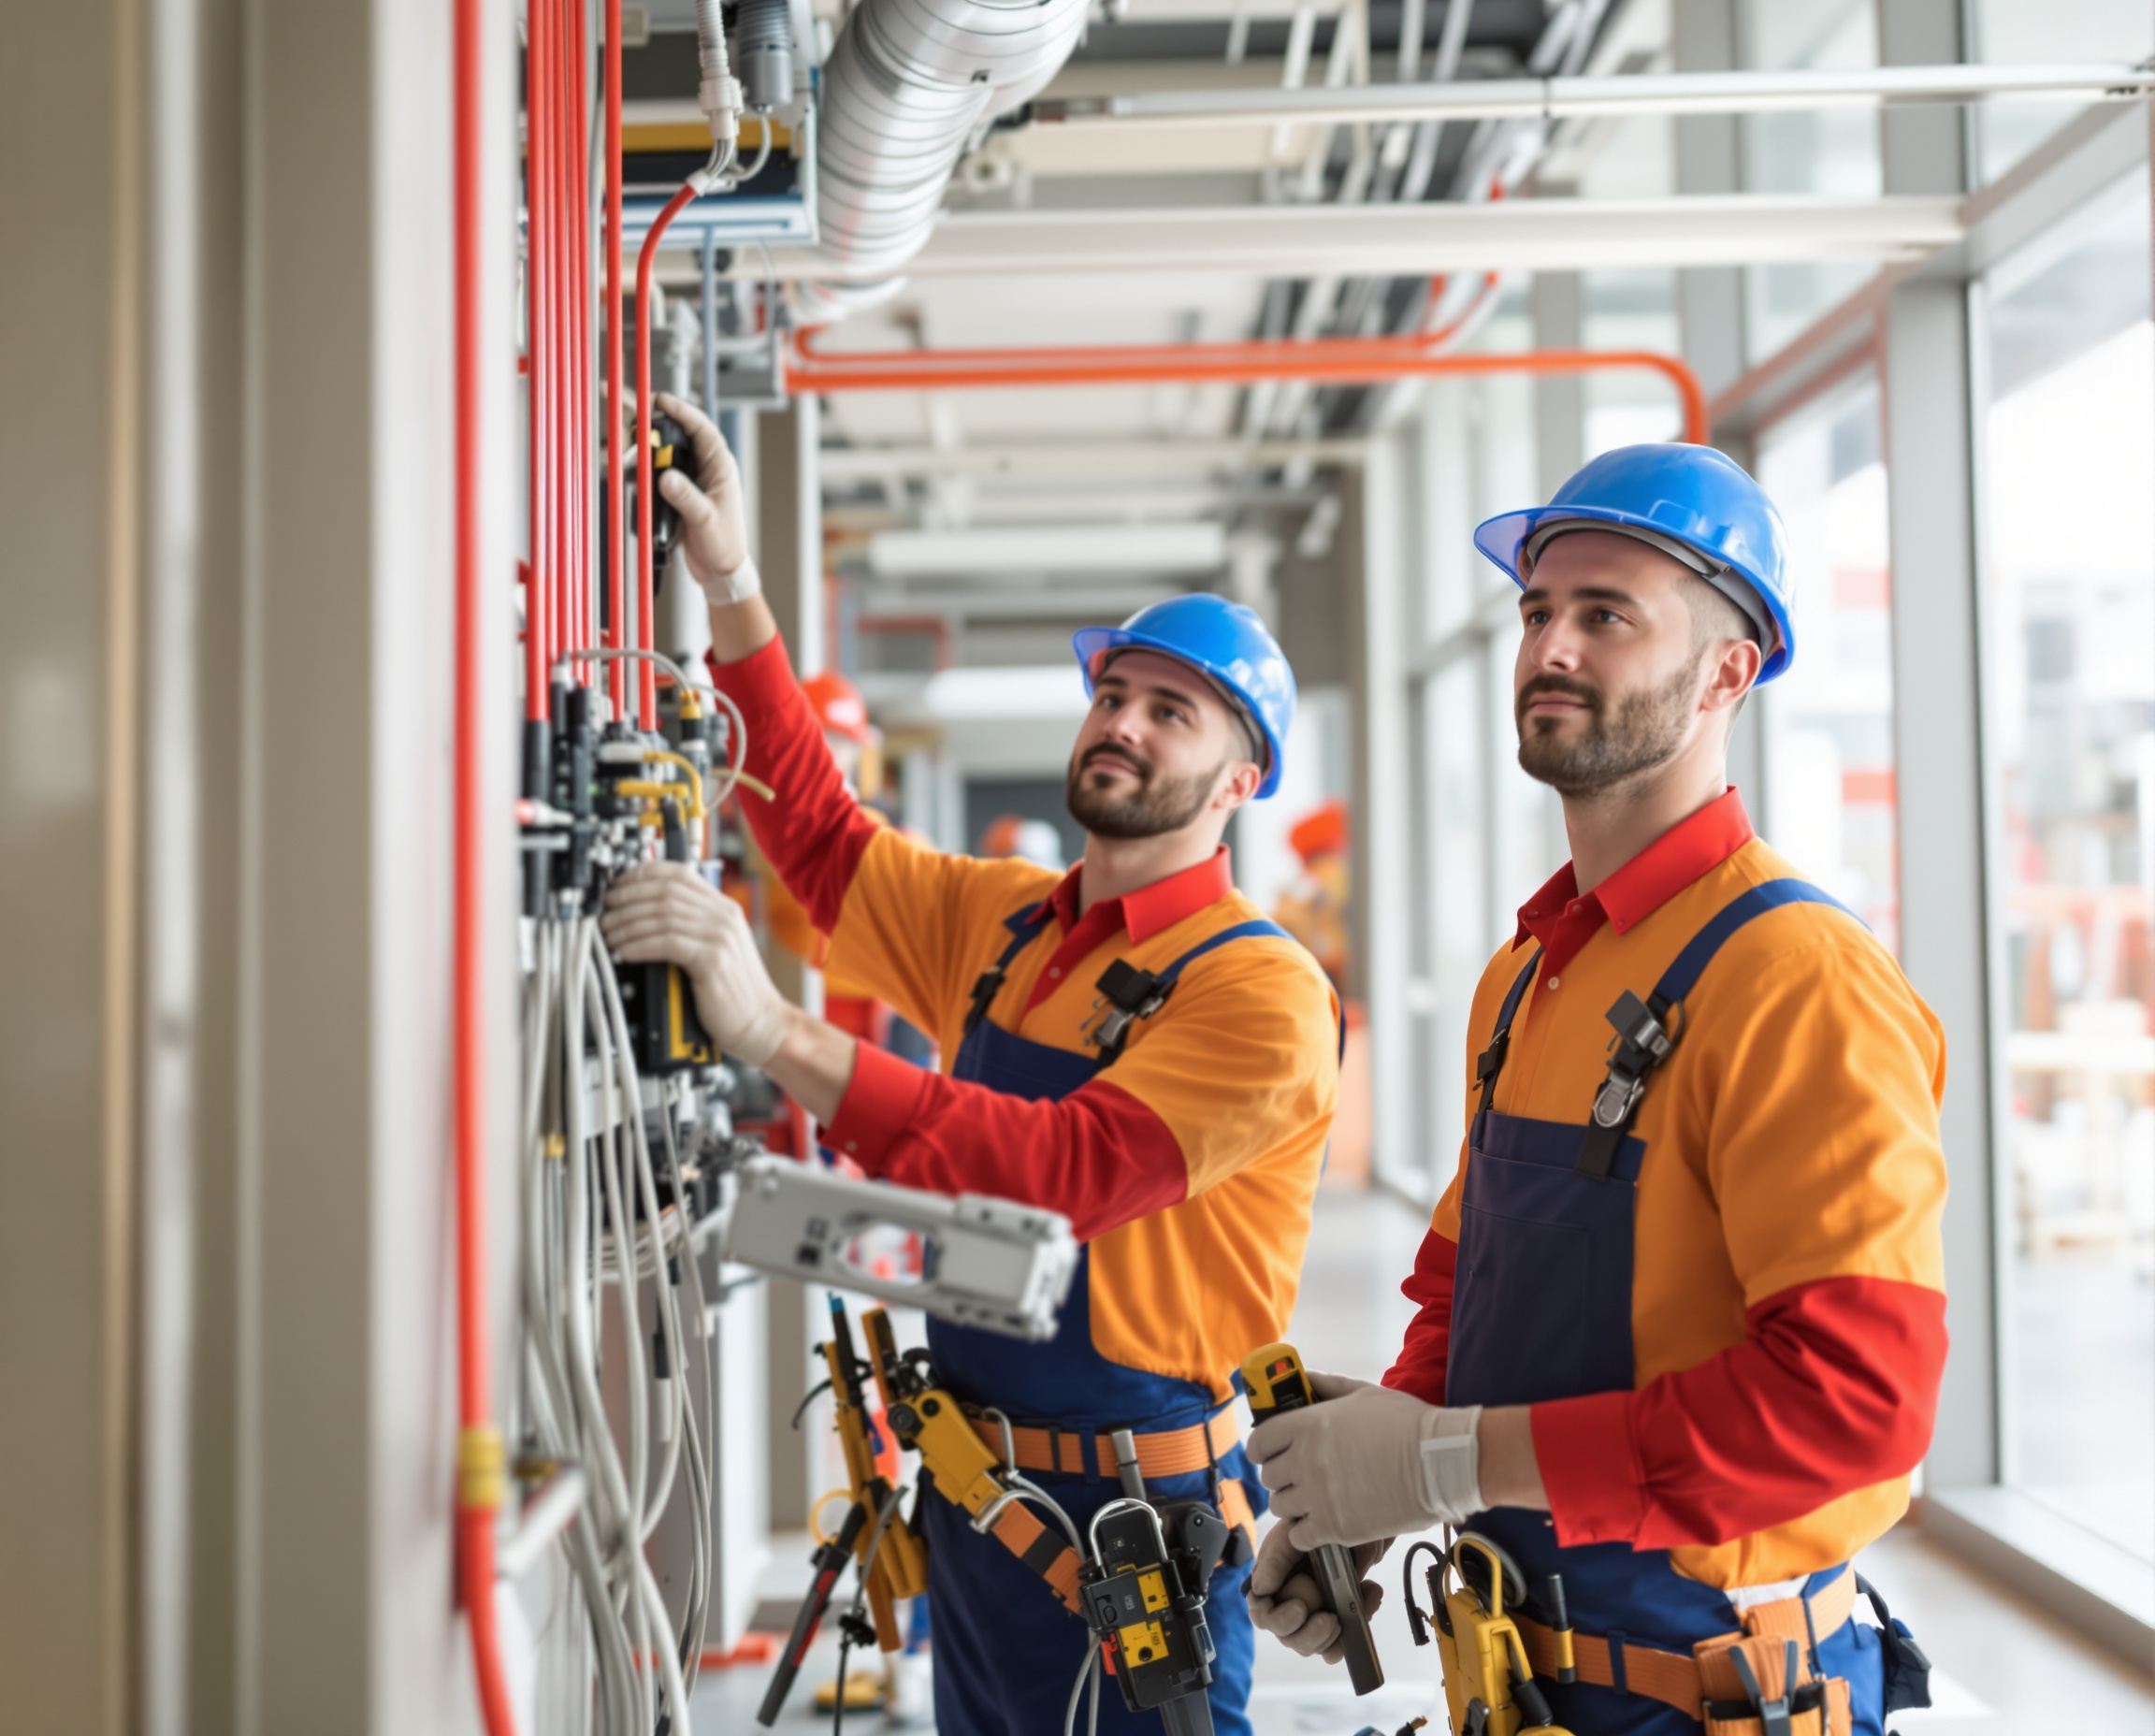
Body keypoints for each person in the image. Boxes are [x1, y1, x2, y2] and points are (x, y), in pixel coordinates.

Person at [601, 392, 1341, 1736]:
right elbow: (819, 839)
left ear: (1242, 782)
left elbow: (1063, 1175)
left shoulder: (1261, 990)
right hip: (976, 1503)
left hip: (1140, 1528)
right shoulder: (1008, 923)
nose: (1122, 723)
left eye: (1174, 712)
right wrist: (729, 577)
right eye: (1113, 693)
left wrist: (774, 1030)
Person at [1244, 444, 1947, 1736]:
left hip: (1718, 1697)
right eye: (1536, 611)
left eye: (1606, 614)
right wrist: (1378, 1473)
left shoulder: (1796, 979)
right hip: (1520, 1671)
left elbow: (1854, 1409)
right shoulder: (1525, 977)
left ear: (1729, 672)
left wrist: (1442, 1466)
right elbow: (1471, 1283)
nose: (1550, 645)